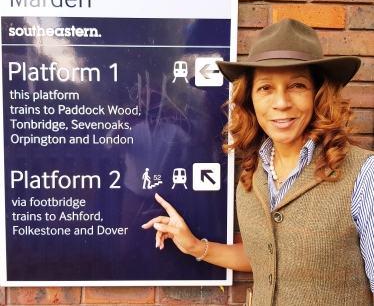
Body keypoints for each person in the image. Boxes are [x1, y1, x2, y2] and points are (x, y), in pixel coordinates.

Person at [142, 18, 374, 305]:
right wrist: (194, 247)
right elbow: (265, 257)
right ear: (250, 98)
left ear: (318, 95)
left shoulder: (364, 175)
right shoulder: (252, 172)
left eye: (297, 85)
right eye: (266, 88)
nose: (281, 102)